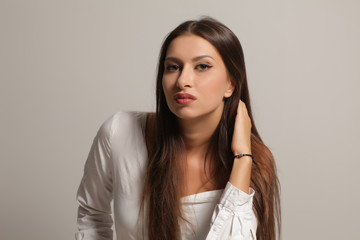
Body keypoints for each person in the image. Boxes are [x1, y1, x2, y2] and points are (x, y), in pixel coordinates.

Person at [75, 17, 281, 240]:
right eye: (173, 67)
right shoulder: (119, 132)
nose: (183, 80)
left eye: (202, 66)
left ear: (230, 84)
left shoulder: (256, 161)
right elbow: (91, 215)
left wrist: (242, 159)